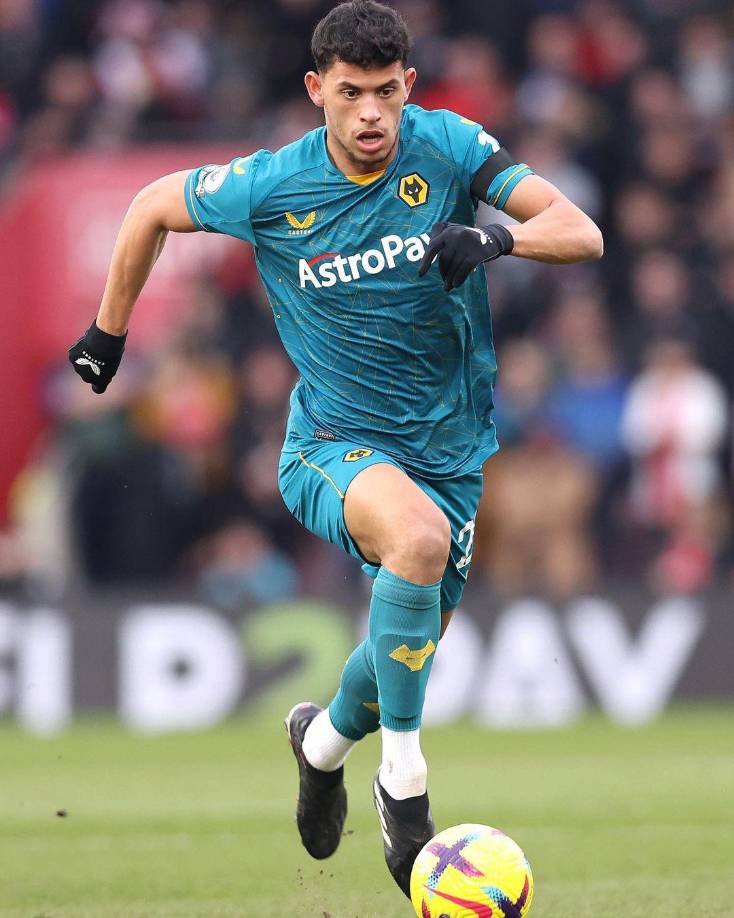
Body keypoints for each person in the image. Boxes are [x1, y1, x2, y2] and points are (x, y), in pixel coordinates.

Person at [68, 0, 602, 900]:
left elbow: (581, 231)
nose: (371, 114)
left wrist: (497, 236)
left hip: (449, 453)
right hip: (331, 444)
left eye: (386, 92)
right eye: (351, 93)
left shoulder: (450, 147)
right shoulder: (272, 185)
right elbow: (151, 205)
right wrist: (107, 333)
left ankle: (320, 747)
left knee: (405, 642)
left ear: (409, 87)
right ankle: (404, 784)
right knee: (418, 543)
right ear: (317, 89)